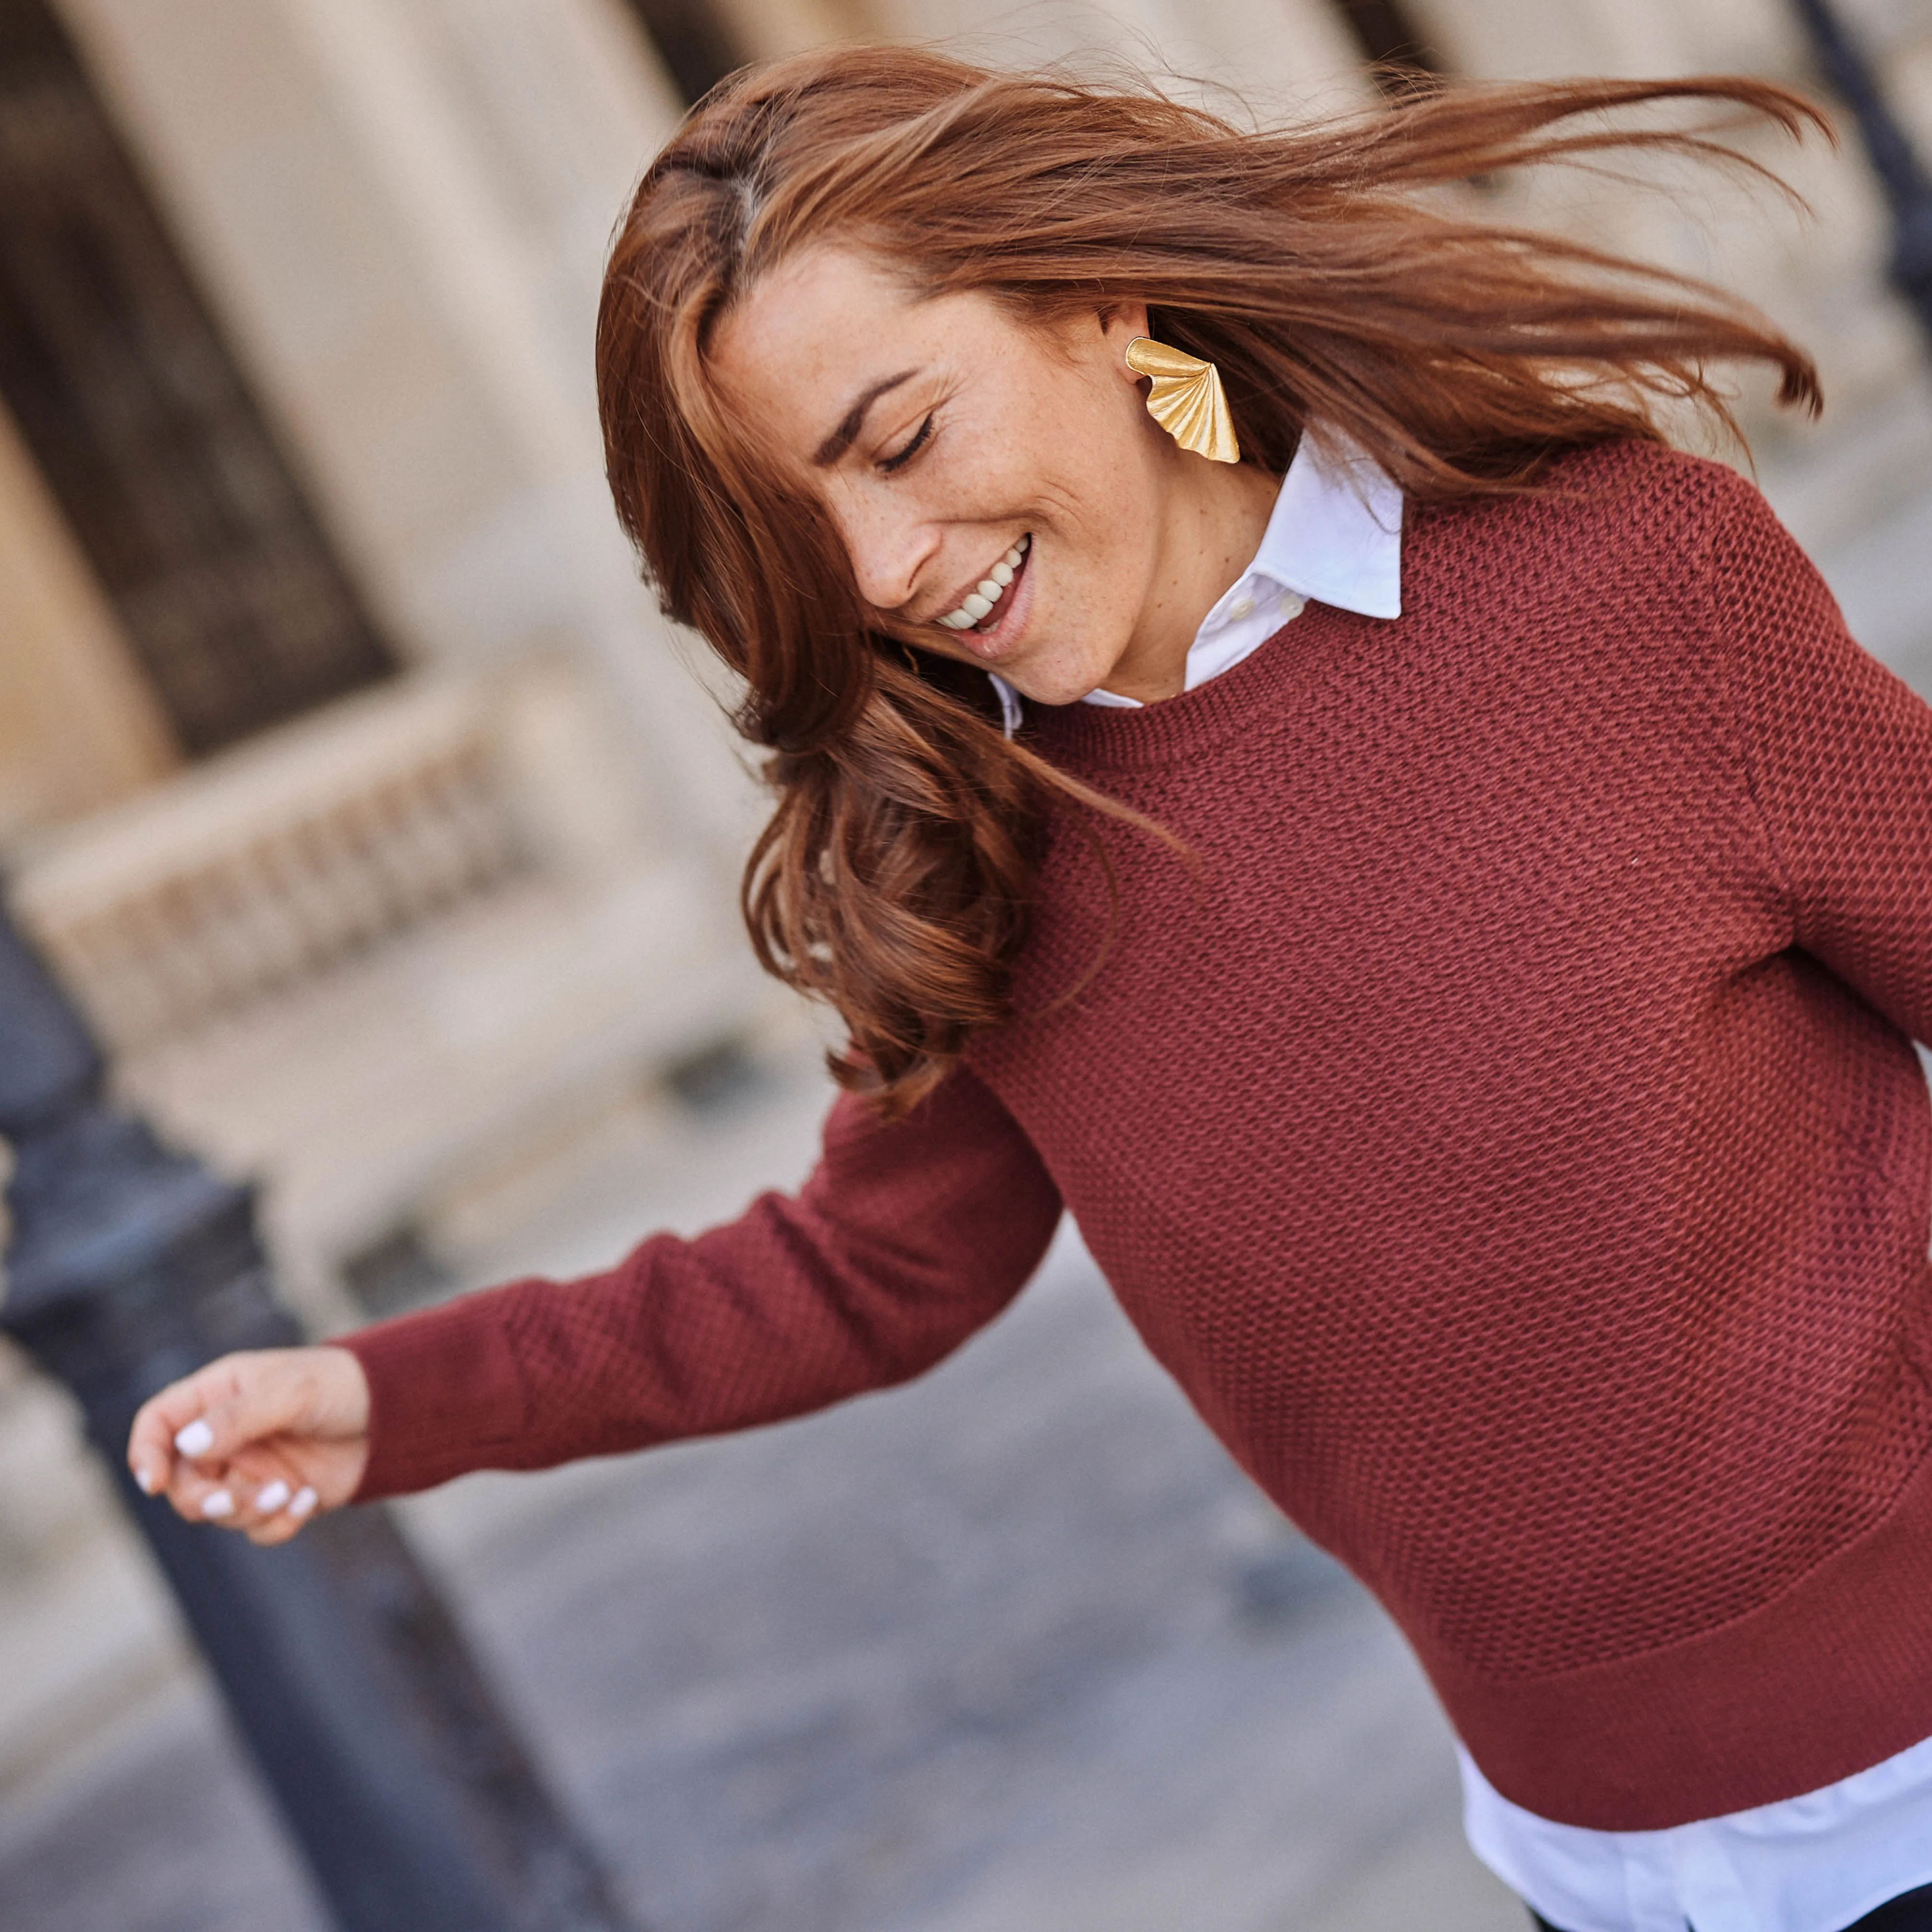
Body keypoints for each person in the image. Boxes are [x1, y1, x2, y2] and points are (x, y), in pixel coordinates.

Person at [125, 48, 1932, 1932]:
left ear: (1099, 304)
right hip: (1584, 1867)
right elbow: (855, 1271)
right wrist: (381, 1397)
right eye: (795, 535)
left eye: (899, 440)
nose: (886, 569)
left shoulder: (1624, 587)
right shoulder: (967, 852)